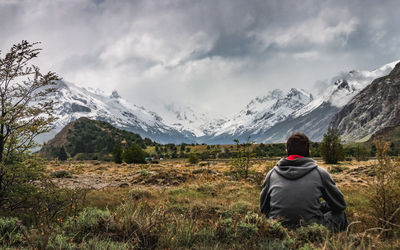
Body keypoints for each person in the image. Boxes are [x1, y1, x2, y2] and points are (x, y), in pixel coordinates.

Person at [260, 132, 348, 231]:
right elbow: (340, 205)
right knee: (340, 215)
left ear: (286, 151)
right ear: (309, 152)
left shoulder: (272, 174)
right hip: (312, 230)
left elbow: (264, 209)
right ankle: (339, 244)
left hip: (277, 229)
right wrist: (321, 207)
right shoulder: (320, 173)